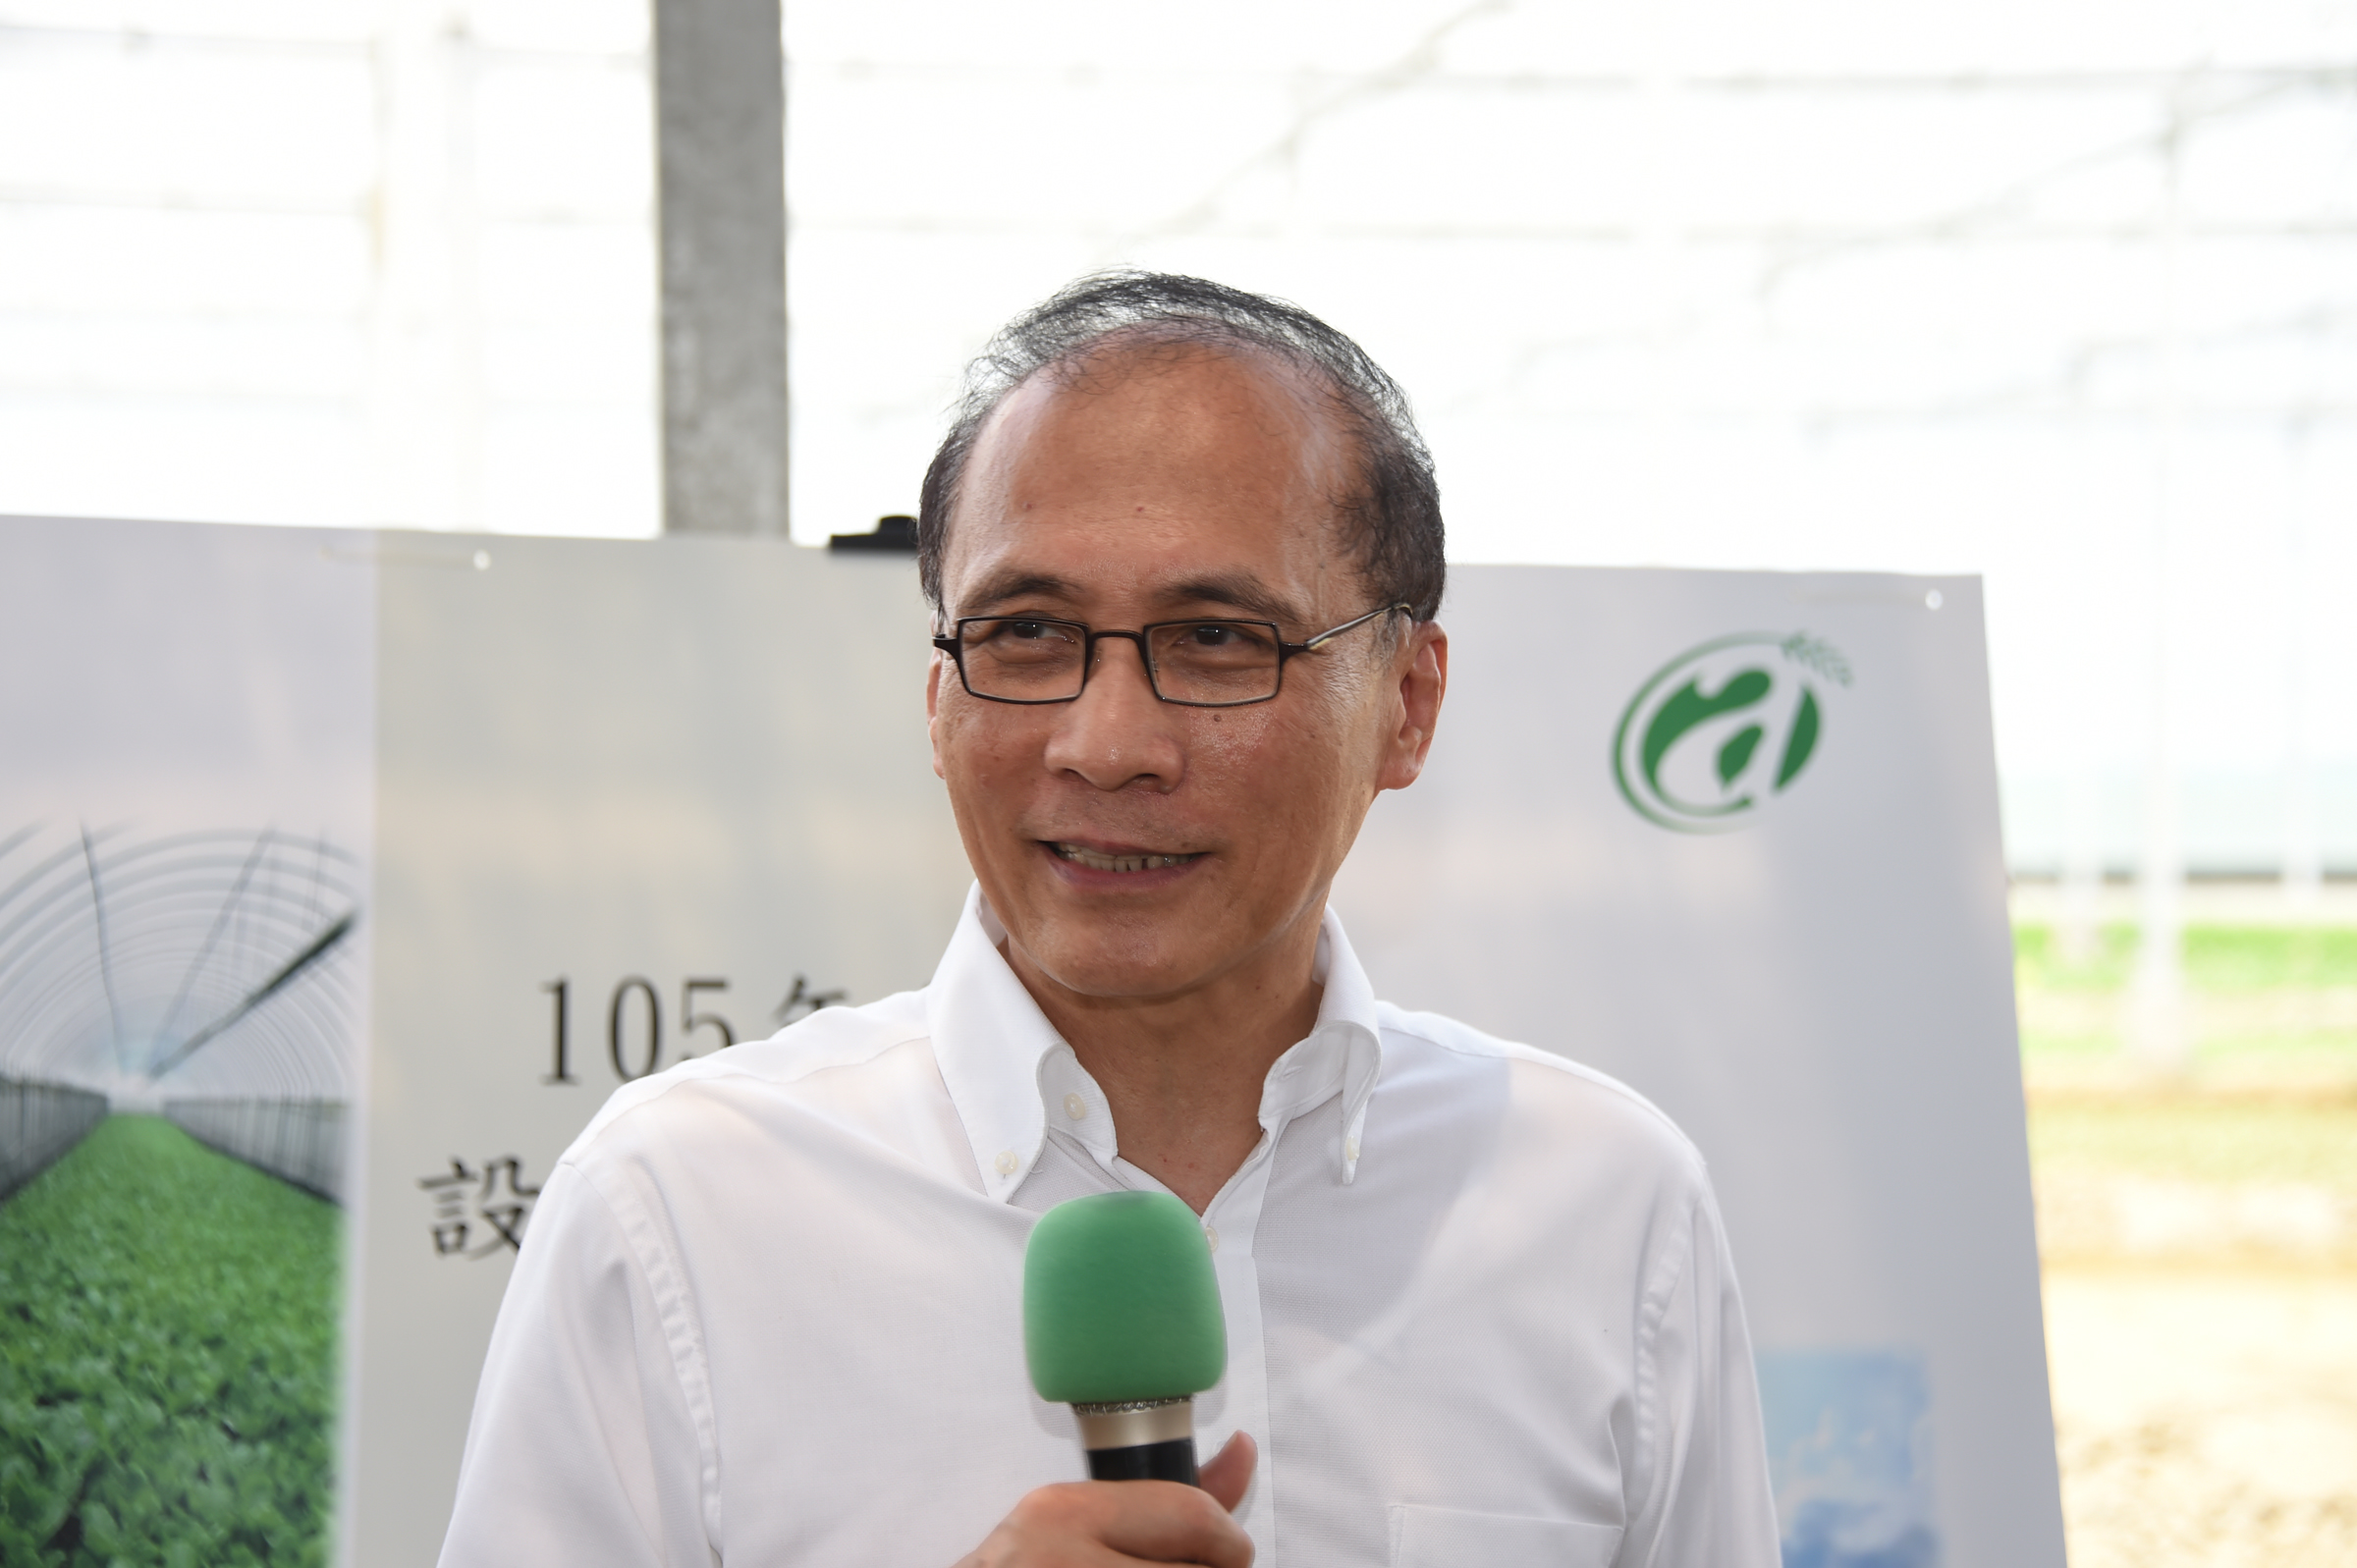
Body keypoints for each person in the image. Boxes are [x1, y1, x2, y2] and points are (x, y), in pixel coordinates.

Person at [438, 272, 1781, 1567]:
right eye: (1027, 631)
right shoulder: (680, 1205)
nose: (1107, 744)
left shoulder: (1604, 1205)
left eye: (1217, 639)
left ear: (1408, 704)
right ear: (937, 700)